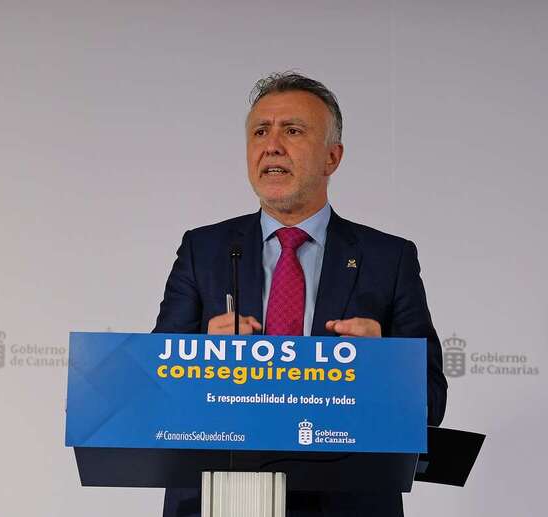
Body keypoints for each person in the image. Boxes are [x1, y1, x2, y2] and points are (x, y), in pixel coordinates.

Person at [154, 72, 447, 517]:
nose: (272, 146)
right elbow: (153, 392)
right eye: (260, 132)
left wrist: (384, 367)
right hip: (223, 498)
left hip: (347, 503)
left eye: (292, 131)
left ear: (332, 157)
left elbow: (431, 403)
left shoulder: (389, 258)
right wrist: (200, 357)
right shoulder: (203, 250)